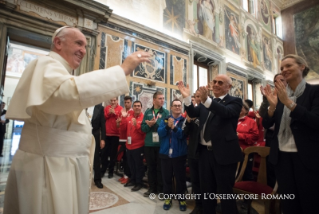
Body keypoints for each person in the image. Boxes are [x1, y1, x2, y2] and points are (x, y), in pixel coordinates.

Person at [3, 26, 150, 214]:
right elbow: (66, 93)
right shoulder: (45, 64)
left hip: (62, 163)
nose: (83, 50)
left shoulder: (61, 71)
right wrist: (122, 69)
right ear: (58, 43)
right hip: (48, 166)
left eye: (86, 46)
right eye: (78, 43)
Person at [262, 54, 319, 214]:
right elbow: (267, 124)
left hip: (306, 157)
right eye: (281, 68)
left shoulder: (314, 92)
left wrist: (289, 103)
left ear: (302, 67)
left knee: (309, 202)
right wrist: (272, 106)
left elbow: (315, 121)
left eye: (288, 66)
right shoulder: (280, 96)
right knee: (288, 204)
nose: (284, 70)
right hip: (282, 157)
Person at [178, 75, 243, 214]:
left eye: (220, 82)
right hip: (204, 153)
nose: (216, 84)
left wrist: (206, 99)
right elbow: (193, 112)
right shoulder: (207, 102)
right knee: (206, 190)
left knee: (225, 192)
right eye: (214, 82)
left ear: (229, 87)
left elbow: (225, 112)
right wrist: (187, 98)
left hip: (224, 154)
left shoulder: (235, 101)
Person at [158, 99, 187, 211]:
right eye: (175, 105)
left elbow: (183, 135)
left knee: (180, 179)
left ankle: (182, 199)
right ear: (171, 107)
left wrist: (174, 128)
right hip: (165, 153)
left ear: (181, 108)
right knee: (166, 178)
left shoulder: (184, 121)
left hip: (179, 155)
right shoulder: (165, 120)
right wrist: (167, 126)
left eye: (179, 105)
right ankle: (167, 199)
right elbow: (160, 133)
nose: (177, 107)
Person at [259, 73, 287, 188]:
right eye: (275, 81)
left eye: (282, 80)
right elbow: (264, 119)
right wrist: (268, 102)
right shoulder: (274, 98)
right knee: (272, 171)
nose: (278, 83)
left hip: (290, 140)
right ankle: (272, 201)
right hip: (273, 137)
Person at [141, 91, 170, 197]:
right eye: (160, 98)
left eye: (163, 98)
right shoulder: (148, 112)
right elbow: (143, 128)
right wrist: (148, 125)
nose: (162, 100)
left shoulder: (166, 113)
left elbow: (167, 128)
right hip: (149, 144)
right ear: (154, 100)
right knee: (151, 167)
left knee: (160, 168)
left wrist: (155, 123)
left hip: (161, 144)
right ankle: (152, 189)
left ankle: (161, 189)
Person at [183, 90, 203, 214]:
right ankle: (198, 205)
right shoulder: (190, 114)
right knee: (195, 181)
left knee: (205, 182)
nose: (197, 99)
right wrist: (189, 122)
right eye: (195, 97)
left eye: (199, 96)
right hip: (193, 152)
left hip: (205, 153)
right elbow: (185, 133)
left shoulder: (209, 112)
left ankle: (207, 205)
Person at [119, 100, 146, 191]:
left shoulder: (143, 118)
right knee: (131, 165)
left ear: (141, 107)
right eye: (135, 106)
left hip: (139, 146)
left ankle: (139, 182)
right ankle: (133, 180)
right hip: (129, 146)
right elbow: (122, 129)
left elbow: (143, 132)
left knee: (138, 166)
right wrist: (123, 118)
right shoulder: (129, 117)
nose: (137, 107)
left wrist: (137, 125)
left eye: (138, 106)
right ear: (133, 108)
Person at [237, 101, 259, 181]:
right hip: (231, 151)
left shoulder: (251, 121)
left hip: (245, 152)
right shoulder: (231, 120)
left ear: (246, 110)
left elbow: (255, 137)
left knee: (246, 174)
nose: (238, 109)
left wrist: (240, 136)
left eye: (241, 107)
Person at [102, 97, 122, 178]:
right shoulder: (107, 108)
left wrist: (115, 113)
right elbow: (104, 118)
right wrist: (109, 113)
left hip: (115, 135)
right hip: (107, 134)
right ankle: (103, 170)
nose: (113, 102)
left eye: (114, 100)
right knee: (104, 154)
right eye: (111, 100)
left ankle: (111, 172)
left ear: (117, 101)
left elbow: (121, 119)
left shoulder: (120, 109)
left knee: (113, 154)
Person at [87, 103, 105, 188]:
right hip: (84, 133)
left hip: (95, 134)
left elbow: (103, 124)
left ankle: (97, 180)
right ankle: (84, 179)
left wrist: (103, 139)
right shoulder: (84, 105)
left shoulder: (100, 108)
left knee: (96, 157)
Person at [116, 96, 134, 184]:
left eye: (128, 102)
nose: (126, 104)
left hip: (129, 139)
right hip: (121, 137)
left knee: (128, 158)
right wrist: (117, 123)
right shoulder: (121, 112)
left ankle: (128, 176)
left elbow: (129, 125)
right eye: (125, 102)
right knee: (123, 158)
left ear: (131, 103)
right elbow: (119, 126)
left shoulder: (133, 112)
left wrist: (125, 118)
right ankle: (125, 175)